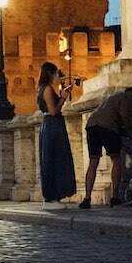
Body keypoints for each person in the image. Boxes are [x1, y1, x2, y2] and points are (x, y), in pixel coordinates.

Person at [78, 88, 132, 209]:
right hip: (107, 127)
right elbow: (124, 114)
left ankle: (87, 199)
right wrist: (129, 130)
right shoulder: (131, 97)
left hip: (91, 125)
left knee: (93, 161)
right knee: (116, 159)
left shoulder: (113, 97)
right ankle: (115, 197)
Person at [37, 61, 77, 209]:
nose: (57, 76)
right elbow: (53, 111)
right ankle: (51, 197)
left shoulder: (43, 88)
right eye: (55, 73)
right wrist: (64, 97)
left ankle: (54, 196)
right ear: (50, 74)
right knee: (54, 158)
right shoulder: (47, 89)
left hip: (51, 125)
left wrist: (61, 93)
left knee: (54, 158)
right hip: (52, 125)